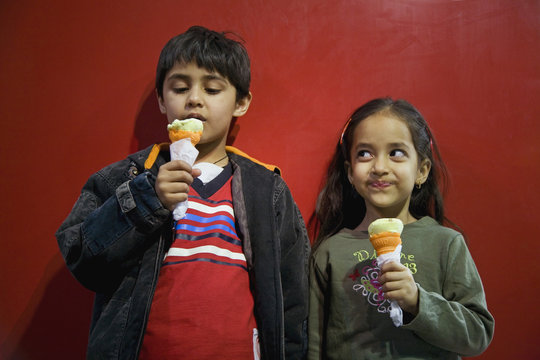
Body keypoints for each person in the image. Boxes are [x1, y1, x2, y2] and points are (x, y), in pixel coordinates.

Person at [56, 26, 310, 360]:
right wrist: (148, 198)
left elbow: (292, 299)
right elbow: (82, 259)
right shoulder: (126, 177)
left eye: (213, 88)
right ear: (162, 99)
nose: (194, 98)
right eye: (179, 87)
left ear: (241, 103)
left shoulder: (268, 191)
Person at [308, 98, 494, 359]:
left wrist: (419, 302)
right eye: (364, 153)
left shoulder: (446, 244)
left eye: (396, 153)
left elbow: (477, 334)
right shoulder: (330, 252)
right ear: (350, 173)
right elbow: (314, 346)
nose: (380, 168)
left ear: (422, 170)